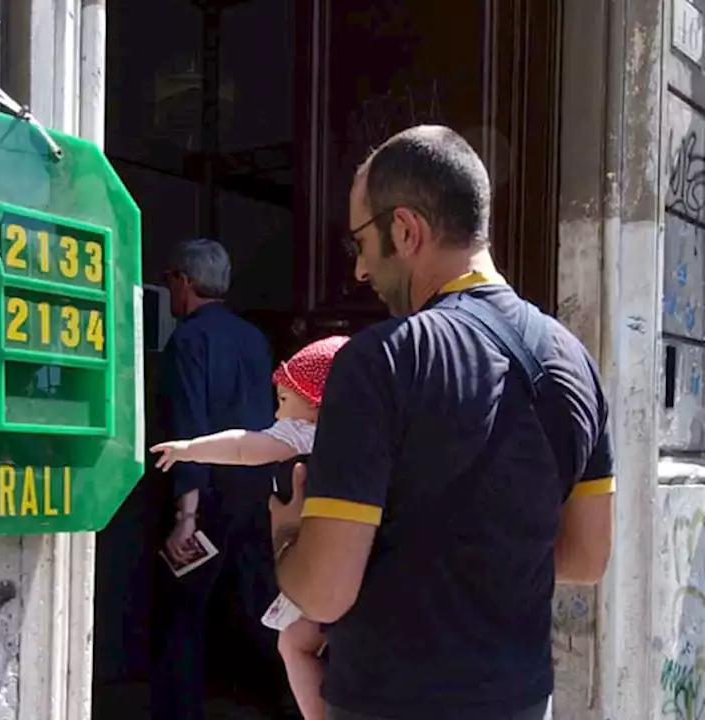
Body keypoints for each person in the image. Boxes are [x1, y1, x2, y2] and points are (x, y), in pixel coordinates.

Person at [267, 125, 615, 720]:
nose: (358, 271)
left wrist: (288, 530)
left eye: (360, 242)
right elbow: (586, 558)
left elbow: (323, 588)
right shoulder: (575, 361)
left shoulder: (379, 361)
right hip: (522, 701)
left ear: (405, 230)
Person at [152, 334, 350, 720]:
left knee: (294, 643)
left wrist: (190, 449)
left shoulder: (300, 433)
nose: (277, 415)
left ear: (314, 402)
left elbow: (243, 447)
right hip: (352, 567)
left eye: (284, 402)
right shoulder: (368, 439)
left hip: (318, 563)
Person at [149, 238, 279, 720]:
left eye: (170, 282)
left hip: (206, 498)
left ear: (184, 282)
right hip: (256, 493)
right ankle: (290, 702)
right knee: (260, 604)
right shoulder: (253, 339)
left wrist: (185, 514)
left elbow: (189, 424)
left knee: (182, 615)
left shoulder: (187, 341)